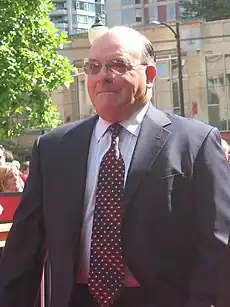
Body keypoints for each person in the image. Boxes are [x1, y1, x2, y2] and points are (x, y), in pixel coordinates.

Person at [0, 26, 230, 307]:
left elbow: (218, 243)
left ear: (150, 75)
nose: (103, 76)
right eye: (93, 67)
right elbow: (24, 247)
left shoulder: (196, 142)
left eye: (117, 64)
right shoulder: (53, 148)